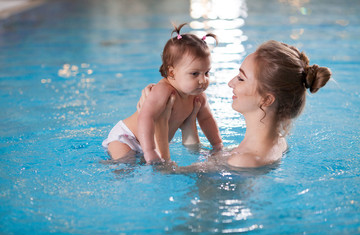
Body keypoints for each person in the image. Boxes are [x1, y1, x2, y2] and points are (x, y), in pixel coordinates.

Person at [141, 40, 332, 168]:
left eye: (241, 78)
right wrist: (190, 121)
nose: (230, 82)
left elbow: (164, 176)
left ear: (266, 99)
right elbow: (211, 160)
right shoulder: (278, 144)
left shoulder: (243, 161)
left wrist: (161, 122)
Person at [102, 23, 223, 164]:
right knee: (124, 166)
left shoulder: (198, 96)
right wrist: (150, 151)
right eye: (195, 73)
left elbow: (206, 119)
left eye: (206, 72)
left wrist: (217, 145)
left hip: (151, 142)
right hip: (127, 137)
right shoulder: (164, 90)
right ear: (172, 72)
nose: (203, 80)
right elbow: (145, 117)